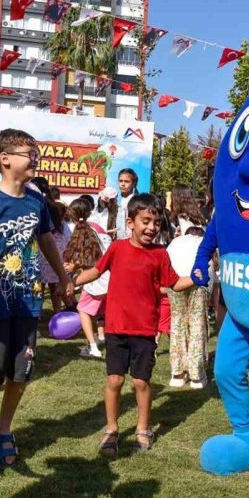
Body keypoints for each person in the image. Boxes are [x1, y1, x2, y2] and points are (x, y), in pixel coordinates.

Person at [0, 129, 72, 468]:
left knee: (22, 371)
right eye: (28, 152)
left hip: (27, 302)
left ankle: (2, 427)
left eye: (36, 151)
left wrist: (63, 278)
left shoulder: (37, 201)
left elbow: (48, 242)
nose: (35, 157)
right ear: (4, 159)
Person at [73, 194, 195, 454]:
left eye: (157, 223)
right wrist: (72, 282)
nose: (152, 228)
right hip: (116, 328)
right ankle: (111, 430)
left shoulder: (160, 255)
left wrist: (198, 276)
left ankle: (143, 428)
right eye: (146, 221)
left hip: (144, 331)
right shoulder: (117, 248)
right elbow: (95, 271)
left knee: (140, 382)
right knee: (115, 380)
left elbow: (174, 284)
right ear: (130, 222)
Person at [63, 197, 111, 359]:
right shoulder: (98, 227)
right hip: (110, 277)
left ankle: (93, 347)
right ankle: (103, 337)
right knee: (103, 311)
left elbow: (89, 258)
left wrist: (74, 267)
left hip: (95, 280)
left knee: (83, 309)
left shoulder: (82, 230)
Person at [167, 226, 209, 388]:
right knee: (197, 324)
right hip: (198, 281)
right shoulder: (203, 242)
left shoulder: (176, 242)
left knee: (177, 323)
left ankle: (177, 373)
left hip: (175, 280)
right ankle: (196, 374)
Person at [114, 168, 139, 240]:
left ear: (133, 183)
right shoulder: (121, 200)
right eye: (120, 181)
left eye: (127, 181)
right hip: (120, 240)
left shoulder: (134, 201)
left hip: (130, 240)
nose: (123, 184)